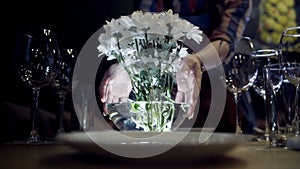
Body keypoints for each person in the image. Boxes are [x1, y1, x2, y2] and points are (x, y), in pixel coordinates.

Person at [98, 0, 254, 132]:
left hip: (216, 104)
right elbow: (141, 32)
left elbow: (226, 40)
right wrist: (124, 67)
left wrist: (198, 60)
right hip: (160, 102)